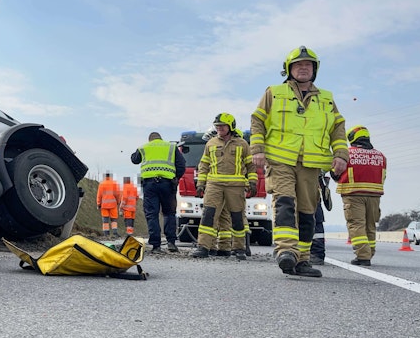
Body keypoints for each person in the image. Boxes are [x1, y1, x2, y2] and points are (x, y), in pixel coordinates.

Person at [250, 46, 348, 277]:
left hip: (311, 164)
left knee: (307, 212)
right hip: (280, 161)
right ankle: (286, 251)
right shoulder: (274, 93)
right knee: (285, 203)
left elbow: (338, 128)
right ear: (289, 69)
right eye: (298, 65)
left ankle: (302, 260)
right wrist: (257, 149)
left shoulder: (326, 98)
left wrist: (341, 154)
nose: (303, 68)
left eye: (308, 65)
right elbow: (258, 120)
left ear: (315, 69)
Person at [192, 113, 257, 261]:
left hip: (235, 186)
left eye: (222, 126)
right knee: (208, 216)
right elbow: (204, 165)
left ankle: (239, 248)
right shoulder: (211, 143)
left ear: (231, 126)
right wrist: (200, 184)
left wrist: (253, 183)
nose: (219, 128)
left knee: (237, 217)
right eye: (217, 126)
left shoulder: (242, 144)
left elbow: (250, 166)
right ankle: (203, 247)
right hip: (214, 185)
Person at [333, 126, 387, 266]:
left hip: (353, 195)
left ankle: (363, 256)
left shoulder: (347, 154)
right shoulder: (380, 156)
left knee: (356, 225)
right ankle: (370, 252)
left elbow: (335, 173)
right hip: (375, 196)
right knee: (370, 226)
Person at [131, 132, 186, 253]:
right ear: (161, 138)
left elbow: (134, 159)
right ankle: (171, 242)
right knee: (169, 213)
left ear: (150, 140)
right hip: (168, 184)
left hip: (150, 185)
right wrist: (176, 177)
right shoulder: (171, 147)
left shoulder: (144, 147)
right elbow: (182, 165)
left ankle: (156, 246)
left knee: (152, 214)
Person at [96, 173, 122, 238]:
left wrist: (98, 204)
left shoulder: (101, 184)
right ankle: (115, 233)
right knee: (114, 220)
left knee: (105, 220)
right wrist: (118, 201)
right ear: (111, 177)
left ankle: (106, 234)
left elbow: (99, 195)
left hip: (104, 205)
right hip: (113, 204)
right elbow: (118, 194)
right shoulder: (114, 183)